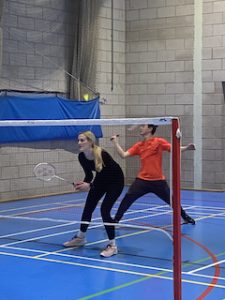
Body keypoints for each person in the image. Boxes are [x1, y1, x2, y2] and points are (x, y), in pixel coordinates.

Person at [111, 124, 196, 225]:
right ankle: (115, 220)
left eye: (143, 126)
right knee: (127, 199)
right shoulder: (139, 145)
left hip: (158, 181)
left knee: (173, 201)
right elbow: (123, 155)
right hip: (142, 181)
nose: (141, 128)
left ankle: (185, 217)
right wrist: (115, 142)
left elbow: (174, 149)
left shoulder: (159, 142)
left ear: (150, 129)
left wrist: (186, 148)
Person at [63, 131, 124, 258]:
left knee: (104, 210)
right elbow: (90, 175)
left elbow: (107, 175)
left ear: (90, 142)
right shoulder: (81, 157)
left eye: (82, 140)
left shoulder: (102, 154)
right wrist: (83, 183)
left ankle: (113, 246)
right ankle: (80, 238)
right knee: (88, 207)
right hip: (101, 181)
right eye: (78, 140)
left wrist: (90, 186)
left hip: (115, 181)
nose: (79, 143)